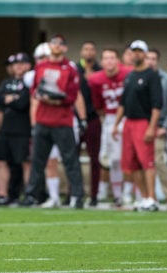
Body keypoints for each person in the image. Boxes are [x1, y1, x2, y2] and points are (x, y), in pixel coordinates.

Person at [20, 33, 85, 209]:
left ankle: (77, 196)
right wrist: (42, 98)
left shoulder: (70, 69)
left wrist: (57, 100)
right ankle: (31, 195)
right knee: (38, 161)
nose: (56, 46)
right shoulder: (41, 67)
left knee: (70, 160)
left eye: (60, 44)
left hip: (62, 120)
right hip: (43, 119)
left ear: (65, 48)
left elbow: (72, 95)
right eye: (53, 43)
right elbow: (34, 90)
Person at [112, 39, 162, 211]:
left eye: (140, 51)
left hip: (143, 122)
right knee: (131, 164)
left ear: (145, 54)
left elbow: (157, 104)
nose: (137, 54)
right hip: (129, 122)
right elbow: (123, 103)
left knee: (146, 161)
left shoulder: (152, 75)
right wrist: (116, 125)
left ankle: (152, 198)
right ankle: (144, 196)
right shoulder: (130, 76)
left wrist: (151, 127)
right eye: (134, 51)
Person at [88, 47, 133, 206]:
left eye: (112, 58)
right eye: (106, 58)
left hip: (128, 117)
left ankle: (128, 193)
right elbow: (98, 105)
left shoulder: (128, 74)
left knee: (125, 157)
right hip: (108, 117)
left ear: (118, 61)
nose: (109, 61)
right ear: (101, 61)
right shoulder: (95, 79)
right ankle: (117, 195)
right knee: (110, 159)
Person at [0, 52, 32, 206]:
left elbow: (23, 103)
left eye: (22, 63)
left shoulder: (30, 83)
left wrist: (11, 99)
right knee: (0, 161)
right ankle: (3, 194)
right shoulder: (6, 82)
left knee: (24, 162)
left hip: (23, 128)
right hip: (6, 129)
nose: (19, 67)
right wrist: (11, 99)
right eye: (16, 64)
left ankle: (29, 193)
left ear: (29, 66)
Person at [145, 48, 167, 211]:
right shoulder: (137, 76)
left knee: (159, 160)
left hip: (159, 126)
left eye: (153, 58)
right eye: (147, 58)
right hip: (139, 125)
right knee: (138, 162)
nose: (150, 61)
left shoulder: (164, 79)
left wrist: (165, 126)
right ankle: (146, 197)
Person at [76, 40, 103, 206]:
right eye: (86, 49)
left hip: (94, 118)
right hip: (75, 119)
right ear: (81, 52)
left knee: (95, 158)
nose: (89, 52)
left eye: (92, 49)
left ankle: (94, 194)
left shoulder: (100, 71)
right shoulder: (74, 69)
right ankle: (75, 193)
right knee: (73, 158)